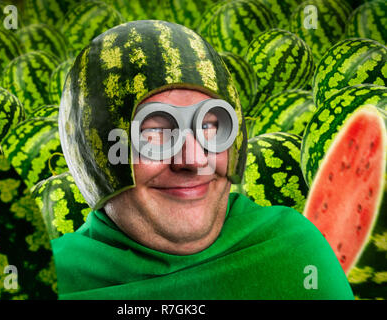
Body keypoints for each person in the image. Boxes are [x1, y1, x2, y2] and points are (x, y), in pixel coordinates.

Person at [53, 20, 354, 300]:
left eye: (211, 126)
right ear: (93, 152)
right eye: (155, 131)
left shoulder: (293, 252)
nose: (195, 160)